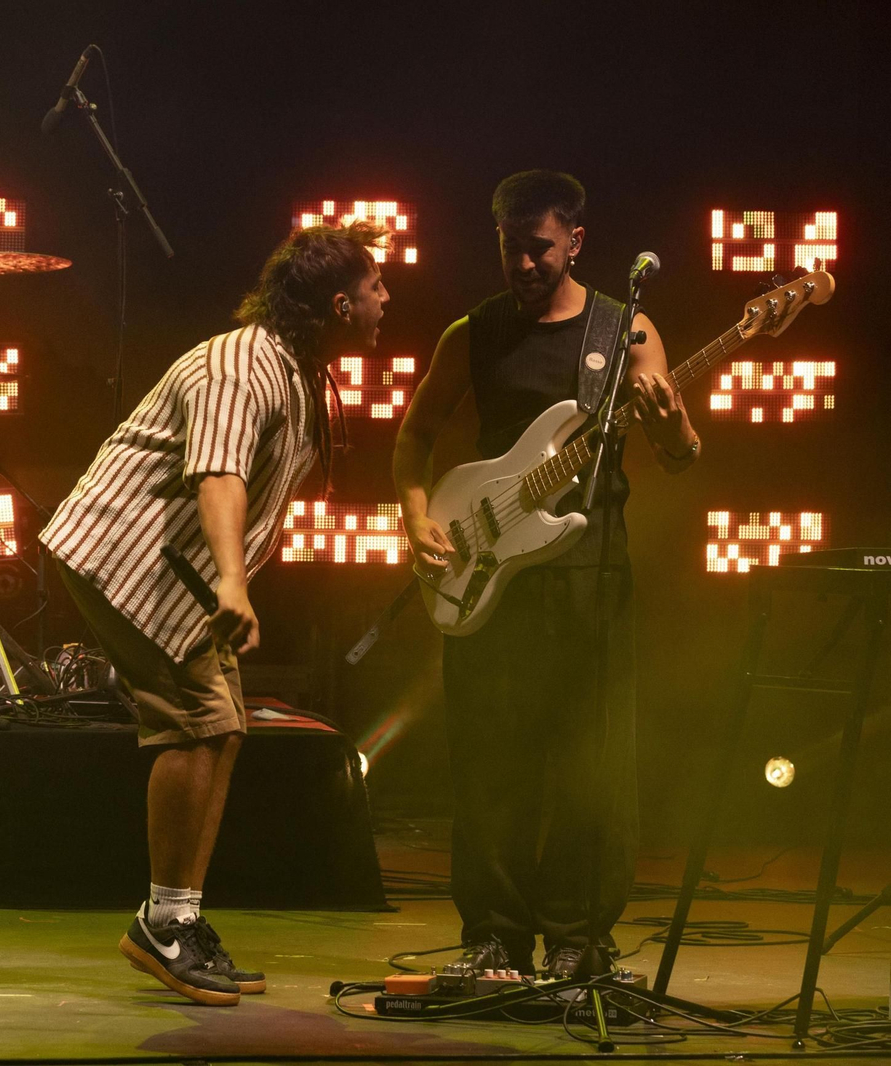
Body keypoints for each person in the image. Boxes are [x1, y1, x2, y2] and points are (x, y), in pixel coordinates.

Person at [42, 222, 390, 1006]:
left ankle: (177, 917)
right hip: (129, 556)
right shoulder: (243, 364)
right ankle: (163, 925)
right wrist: (234, 582)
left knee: (223, 727)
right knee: (198, 723)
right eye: (376, 287)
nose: (386, 300)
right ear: (341, 304)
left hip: (173, 567)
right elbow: (218, 475)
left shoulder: (294, 369)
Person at [391, 170, 701, 980]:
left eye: (540, 249)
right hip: (490, 570)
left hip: (588, 577)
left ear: (575, 242)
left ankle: (577, 939)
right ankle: (493, 935)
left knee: (590, 766)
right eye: (511, 249)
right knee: (489, 763)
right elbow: (415, 436)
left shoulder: (625, 332)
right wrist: (415, 515)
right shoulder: (474, 332)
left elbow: (679, 455)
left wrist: (674, 427)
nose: (525, 265)